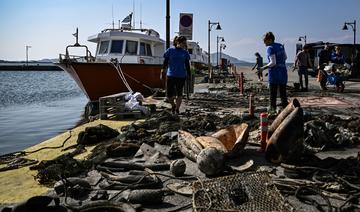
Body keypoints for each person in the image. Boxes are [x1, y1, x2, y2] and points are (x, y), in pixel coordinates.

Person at [259, 32, 288, 115]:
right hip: (283, 72)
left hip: (274, 73)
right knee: (283, 94)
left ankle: (272, 111)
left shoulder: (270, 48)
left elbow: (273, 62)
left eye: (265, 41)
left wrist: (263, 68)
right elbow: (285, 57)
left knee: (273, 94)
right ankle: (286, 111)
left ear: (270, 40)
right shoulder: (280, 46)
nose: (264, 43)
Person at [162, 36, 191, 115]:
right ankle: (173, 105)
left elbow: (187, 65)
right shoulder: (170, 50)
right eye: (183, 43)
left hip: (181, 75)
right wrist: (162, 71)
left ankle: (177, 109)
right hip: (170, 74)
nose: (184, 45)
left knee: (179, 93)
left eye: (185, 43)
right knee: (169, 95)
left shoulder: (185, 52)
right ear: (178, 42)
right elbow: (165, 62)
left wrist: (189, 75)